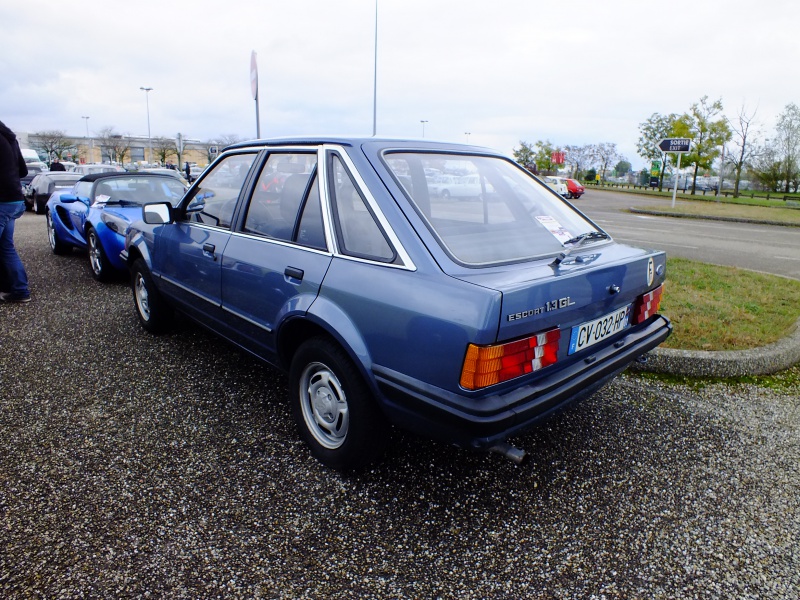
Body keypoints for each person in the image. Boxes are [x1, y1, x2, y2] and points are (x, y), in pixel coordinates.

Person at [0, 120, 31, 303]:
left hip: (2, 201)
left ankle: (20, 290)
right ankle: (20, 290)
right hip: (15, 200)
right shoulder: (10, 138)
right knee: (6, 248)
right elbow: (23, 170)